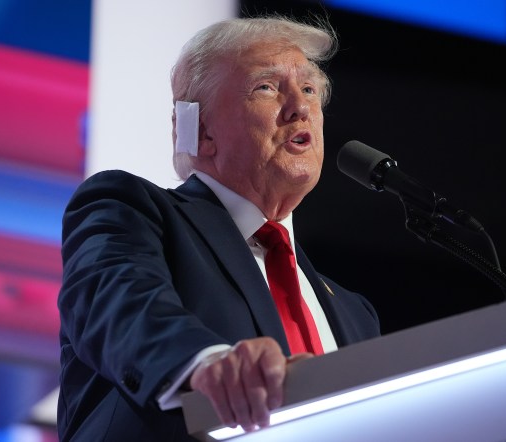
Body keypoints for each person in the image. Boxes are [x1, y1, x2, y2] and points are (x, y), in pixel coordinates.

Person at [57, 16, 380, 442]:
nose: (300, 107)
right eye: (266, 87)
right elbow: (119, 301)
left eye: (309, 90)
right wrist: (206, 364)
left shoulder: (357, 315)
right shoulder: (131, 208)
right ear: (201, 130)